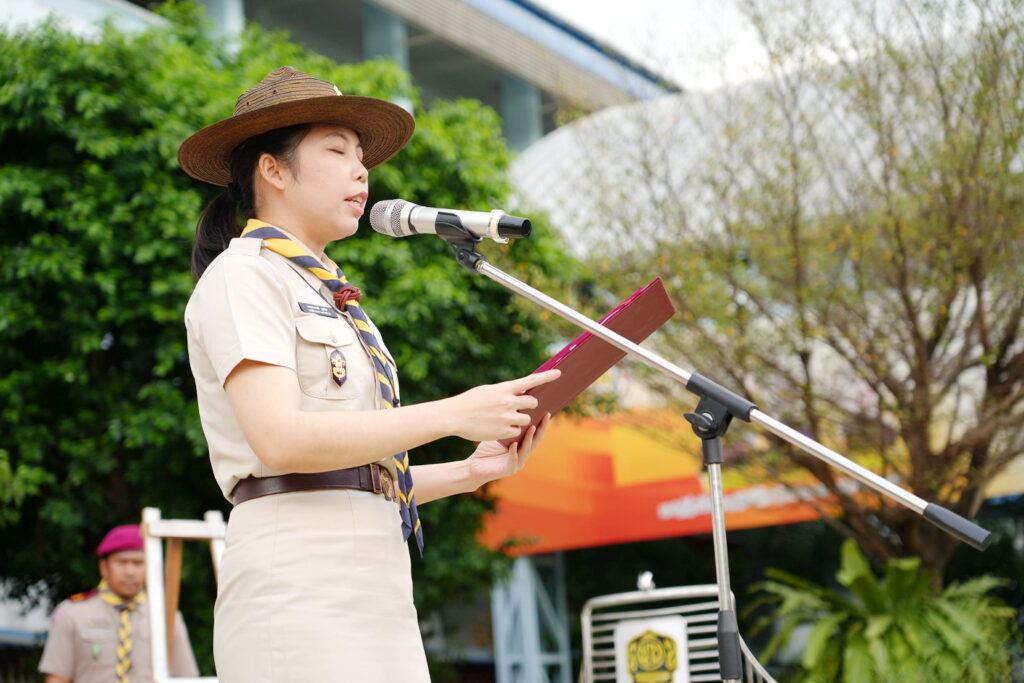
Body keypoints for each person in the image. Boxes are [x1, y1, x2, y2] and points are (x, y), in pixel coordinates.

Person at [177, 66, 559, 682]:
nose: (361, 172)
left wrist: (470, 472)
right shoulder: (244, 274)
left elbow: (358, 478)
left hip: (378, 589)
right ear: (273, 170)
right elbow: (281, 442)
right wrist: (454, 414)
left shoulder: (334, 295)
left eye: (361, 156)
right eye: (337, 152)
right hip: (297, 587)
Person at [38, 525, 199, 682]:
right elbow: (57, 678)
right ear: (104, 568)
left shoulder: (166, 616)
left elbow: (185, 678)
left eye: (138, 563)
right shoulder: (72, 613)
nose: (130, 572)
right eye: (122, 562)